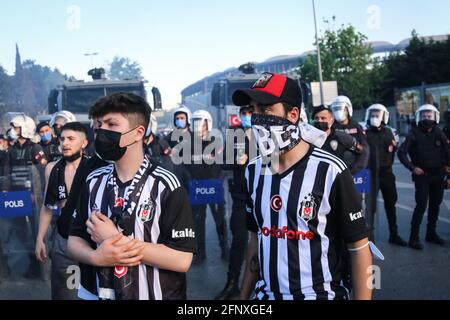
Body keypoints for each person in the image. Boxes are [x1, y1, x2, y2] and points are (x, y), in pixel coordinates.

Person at [233, 72, 373, 300]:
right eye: (253, 110)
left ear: (293, 114)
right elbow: (256, 239)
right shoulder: (253, 171)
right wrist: (243, 297)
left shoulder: (331, 170)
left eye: (266, 110)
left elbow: (359, 248)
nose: (256, 118)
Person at [68, 93, 195, 300]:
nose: (102, 132)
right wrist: (95, 257)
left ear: (138, 133)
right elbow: (74, 239)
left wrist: (113, 239)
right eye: (98, 125)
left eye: (111, 124)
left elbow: (181, 259)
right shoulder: (92, 182)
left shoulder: (166, 185)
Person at [35, 122, 89, 299]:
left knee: (92, 290)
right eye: (62, 139)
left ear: (83, 143)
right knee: (63, 292)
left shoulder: (96, 167)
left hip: (91, 239)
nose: (65, 143)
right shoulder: (53, 168)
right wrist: (40, 238)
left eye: (71, 139)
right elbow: (47, 206)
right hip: (63, 237)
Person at [398, 104, 450, 250]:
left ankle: (431, 233)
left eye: (429, 116)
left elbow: (448, 153)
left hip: (438, 175)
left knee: (436, 204)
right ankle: (413, 238)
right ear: (419, 117)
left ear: (435, 117)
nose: (427, 118)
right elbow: (401, 153)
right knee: (421, 205)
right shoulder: (413, 134)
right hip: (422, 176)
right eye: (424, 116)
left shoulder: (440, 133)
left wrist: (448, 172)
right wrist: (413, 168)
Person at [215, 105, 254, 300]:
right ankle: (232, 284)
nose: (247, 117)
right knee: (239, 240)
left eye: (250, 113)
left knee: (267, 242)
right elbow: (224, 162)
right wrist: (236, 160)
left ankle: (267, 282)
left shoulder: (265, 134)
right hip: (240, 196)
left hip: (263, 196)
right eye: (244, 114)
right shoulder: (233, 134)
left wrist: (253, 158)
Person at [6, 115, 47, 278]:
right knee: (19, 231)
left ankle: (39, 268)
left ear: (25, 129)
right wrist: (5, 191)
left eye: (16, 128)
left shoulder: (35, 148)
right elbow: (6, 172)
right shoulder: (11, 149)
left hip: (32, 197)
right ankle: (29, 263)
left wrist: (35, 195)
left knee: (36, 231)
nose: (13, 131)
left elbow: (41, 172)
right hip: (15, 197)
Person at [185, 109, 227, 263]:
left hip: (214, 186)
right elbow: (185, 166)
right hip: (196, 187)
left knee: (219, 220)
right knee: (198, 221)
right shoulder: (188, 143)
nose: (199, 126)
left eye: (202, 122)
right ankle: (200, 252)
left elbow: (223, 163)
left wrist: (219, 181)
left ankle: (224, 248)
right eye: (196, 122)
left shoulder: (216, 140)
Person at [364, 104, 407, 245]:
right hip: (369, 174)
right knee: (369, 208)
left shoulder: (391, 132)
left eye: (377, 114)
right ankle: (369, 237)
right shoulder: (365, 133)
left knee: (391, 204)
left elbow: (396, 147)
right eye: (373, 114)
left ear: (384, 116)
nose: (375, 117)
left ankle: (394, 235)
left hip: (387, 173)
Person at [313, 105, 365, 174]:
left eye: (323, 118)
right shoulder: (309, 139)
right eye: (317, 118)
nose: (319, 121)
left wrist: (352, 170)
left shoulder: (342, 137)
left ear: (331, 121)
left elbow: (360, 151)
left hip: (340, 178)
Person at [331, 96, 369, 174]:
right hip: (335, 167)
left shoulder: (356, 126)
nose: (339, 111)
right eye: (336, 109)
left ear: (348, 109)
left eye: (342, 109)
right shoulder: (331, 127)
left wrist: (356, 168)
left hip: (354, 166)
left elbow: (364, 148)